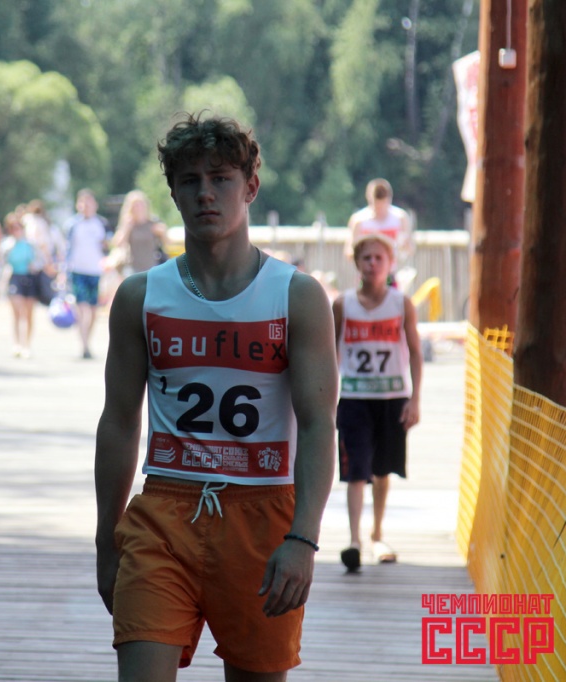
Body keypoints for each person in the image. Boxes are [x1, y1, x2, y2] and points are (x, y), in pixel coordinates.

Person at [94, 114, 338, 680]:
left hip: (263, 516)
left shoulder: (297, 297)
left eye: (221, 178)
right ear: (174, 194)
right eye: (190, 180)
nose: (206, 193)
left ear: (250, 187)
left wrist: (303, 538)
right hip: (164, 514)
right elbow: (119, 423)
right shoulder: (140, 297)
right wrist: (106, 540)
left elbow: (319, 424)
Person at [333, 233, 423, 572]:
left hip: (391, 397)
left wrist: (415, 399)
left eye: (378, 258)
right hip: (354, 397)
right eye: (366, 258)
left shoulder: (401, 304)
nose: (372, 264)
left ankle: (377, 534)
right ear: (356, 263)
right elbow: (329, 353)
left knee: (382, 469)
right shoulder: (343, 304)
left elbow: (415, 352)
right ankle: (354, 540)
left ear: (390, 264)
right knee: (355, 470)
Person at [64, 188, 110, 359]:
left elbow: (108, 245)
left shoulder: (101, 224)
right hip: (78, 270)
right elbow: (67, 249)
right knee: (82, 308)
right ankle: (84, 345)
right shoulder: (72, 224)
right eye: (82, 202)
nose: (86, 206)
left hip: (96, 271)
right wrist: (64, 271)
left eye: (89, 202)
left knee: (93, 310)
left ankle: (87, 341)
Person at [344, 178, 413, 271]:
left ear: (389, 199)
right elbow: (349, 251)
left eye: (383, 205)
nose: (379, 210)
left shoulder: (400, 218)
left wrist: (404, 245)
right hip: (367, 273)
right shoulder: (359, 220)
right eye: (376, 206)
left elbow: (410, 249)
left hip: (391, 273)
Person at [0, 212, 39, 357]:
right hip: (14, 278)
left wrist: (35, 265)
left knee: (28, 314)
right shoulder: (6, 245)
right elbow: (0, 265)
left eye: (18, 227)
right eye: (13, 228)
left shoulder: (30, 244)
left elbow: (40, 260)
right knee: (17, 312)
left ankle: (26, 345)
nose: (16, 230)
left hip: (29, 278)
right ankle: (17, 343)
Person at [111, 189, 168, 275]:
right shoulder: (128, 223)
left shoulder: (153, 223)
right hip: (133, 267)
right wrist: (126, 229)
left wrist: (163, 233)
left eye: (141, 204)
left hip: (151, 265)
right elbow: (118, 244)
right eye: (135, 205)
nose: (139, 208)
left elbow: (167, 243)